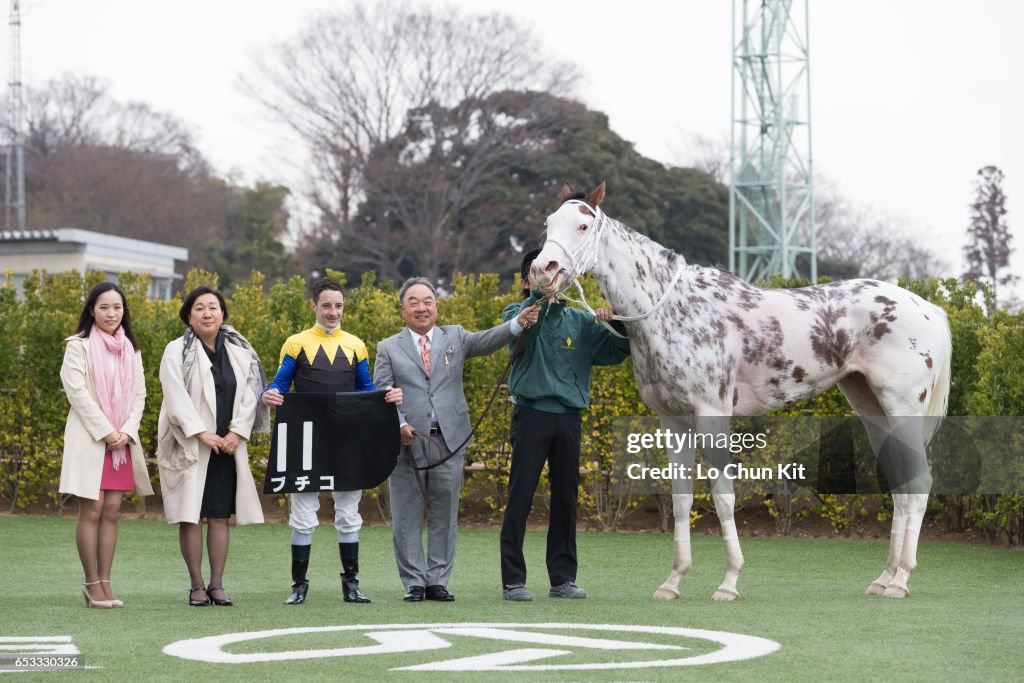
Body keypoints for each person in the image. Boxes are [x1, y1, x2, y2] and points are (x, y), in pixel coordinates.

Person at [373, 277, 539, 602]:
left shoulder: (456, 336)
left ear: (436, 305)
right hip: (406, 444)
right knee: (406, 516)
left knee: (444, 514)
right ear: (403, 309)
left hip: (449, 442)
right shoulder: (387, 348)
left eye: (428, 301)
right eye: (414, 302)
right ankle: (414, 584)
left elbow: (488, 340)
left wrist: (518, 323)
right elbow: (381, 393)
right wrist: (399, 425)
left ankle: (437, 580)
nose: (422, 307)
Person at [499, 249, 631, 601]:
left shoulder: (580, 320)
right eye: (539, 273)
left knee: (566, 499)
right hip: (531, 416)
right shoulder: (516, 312)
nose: (548, 278)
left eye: (555, 272)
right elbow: (529, 326)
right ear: (525, 281)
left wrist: (612, 320)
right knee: (521, 496)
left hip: (569, 420)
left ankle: (562, 579)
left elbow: (616, 351)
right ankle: (513, 581)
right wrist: (540, 295)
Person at [262, 278, 403, 605]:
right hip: (306, 437)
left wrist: (387, 395)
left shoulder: (356, 345)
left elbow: (366, 388)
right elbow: (279, 385)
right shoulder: (296, 343)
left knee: (349, 510)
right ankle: (299, 585)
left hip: (346, 437)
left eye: (338, 305)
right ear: (314, 306)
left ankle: (351, 584)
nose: (333, 311)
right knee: (303, 511)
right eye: (326, 305)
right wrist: (266, 394)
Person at [157, 286, 270, 607]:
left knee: (219, 515)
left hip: (227, 447)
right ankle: (196, 585)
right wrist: (201, 433)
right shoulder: (175, 351)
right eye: (200, 309)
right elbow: (174, 397)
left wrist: (237, 433)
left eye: (213, 308)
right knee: (189, 515)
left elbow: (252, 393)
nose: (208, 313)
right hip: (189, 445)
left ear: (223, 314)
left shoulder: (240, 350)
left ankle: (217, 584)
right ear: (188, 316)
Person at [59, 282, 153, 608]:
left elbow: (139, 395)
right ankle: (90, 582)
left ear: (123, 311)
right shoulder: (78, 346)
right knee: (93, 508)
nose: (111, 313)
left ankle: (106, 583)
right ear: (92, 310)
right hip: (92, 437)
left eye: (117, 307)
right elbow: (77, 393)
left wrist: (126, 431)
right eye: (104, 307)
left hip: (122, 441)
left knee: (112, 511)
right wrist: (106, 432)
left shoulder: (132, 349)